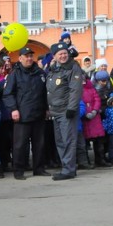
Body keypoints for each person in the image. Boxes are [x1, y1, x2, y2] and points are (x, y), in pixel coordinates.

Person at [3, 48, 49, 180]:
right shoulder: (15, 74)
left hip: (38, 113)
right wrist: (13, 109)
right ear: (20, 58)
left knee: (39, 144)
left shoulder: (40, 73)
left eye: (30, 56)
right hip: (22, 115)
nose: (29, 58)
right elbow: (8, 94)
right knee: (19, 145)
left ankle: (39, 169)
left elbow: (44, 93)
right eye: (26, 56)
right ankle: (18, 171)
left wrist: (46, 108)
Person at [45, 41, 84, 180]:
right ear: (54, 56)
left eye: (65, 53)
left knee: (68, 140)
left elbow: (75, 89)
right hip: (55, 111)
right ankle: (66, 167)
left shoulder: (73, 67)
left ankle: (69, 169)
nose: (63, 56)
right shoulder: (54, 69)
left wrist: (72, 108)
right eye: (60, 54)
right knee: (60, 141)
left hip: (66, 111)